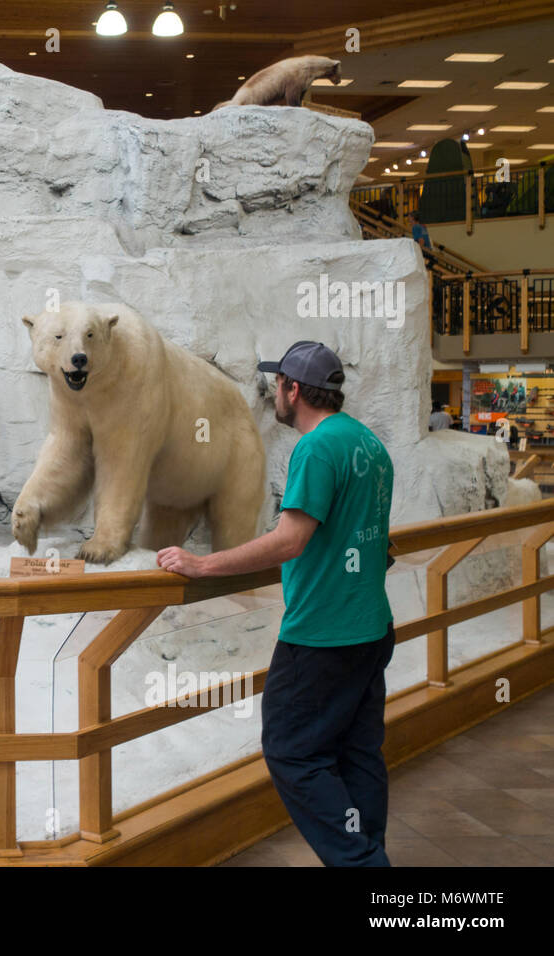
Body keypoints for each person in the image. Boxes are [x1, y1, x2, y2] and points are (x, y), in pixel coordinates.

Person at [157, 340, 396, 867]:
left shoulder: (315, 448)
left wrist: (203, 564)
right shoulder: (368, 443)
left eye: (277, 386)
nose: (273, 397)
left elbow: (290, 540)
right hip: (371, 627)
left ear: (293, 389)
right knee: (358, 753)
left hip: (322, 633)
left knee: (291, 750)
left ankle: (361, 865)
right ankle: (371, 856)